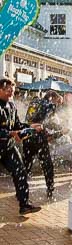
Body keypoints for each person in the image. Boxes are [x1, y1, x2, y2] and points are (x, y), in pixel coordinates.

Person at [0, 78, 41, 215]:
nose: (11, 93)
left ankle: (24, 204)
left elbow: (17, 126)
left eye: (12, 90)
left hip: (9, 147)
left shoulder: (11, 106)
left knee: (21, 172)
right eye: (8, 90)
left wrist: (30, 127)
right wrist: (11, 133)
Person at [23, 90, 68, 198]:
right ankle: (50, 188)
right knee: (47, 165)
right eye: (58, 102)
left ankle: (20, 189)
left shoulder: (34, 102)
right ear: (53, 98)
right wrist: (61, 130)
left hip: (27, 137)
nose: (57, 105)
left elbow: (30, 119)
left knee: (26, 165)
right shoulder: (50, 105)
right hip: (38, 139)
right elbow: (48, 123)